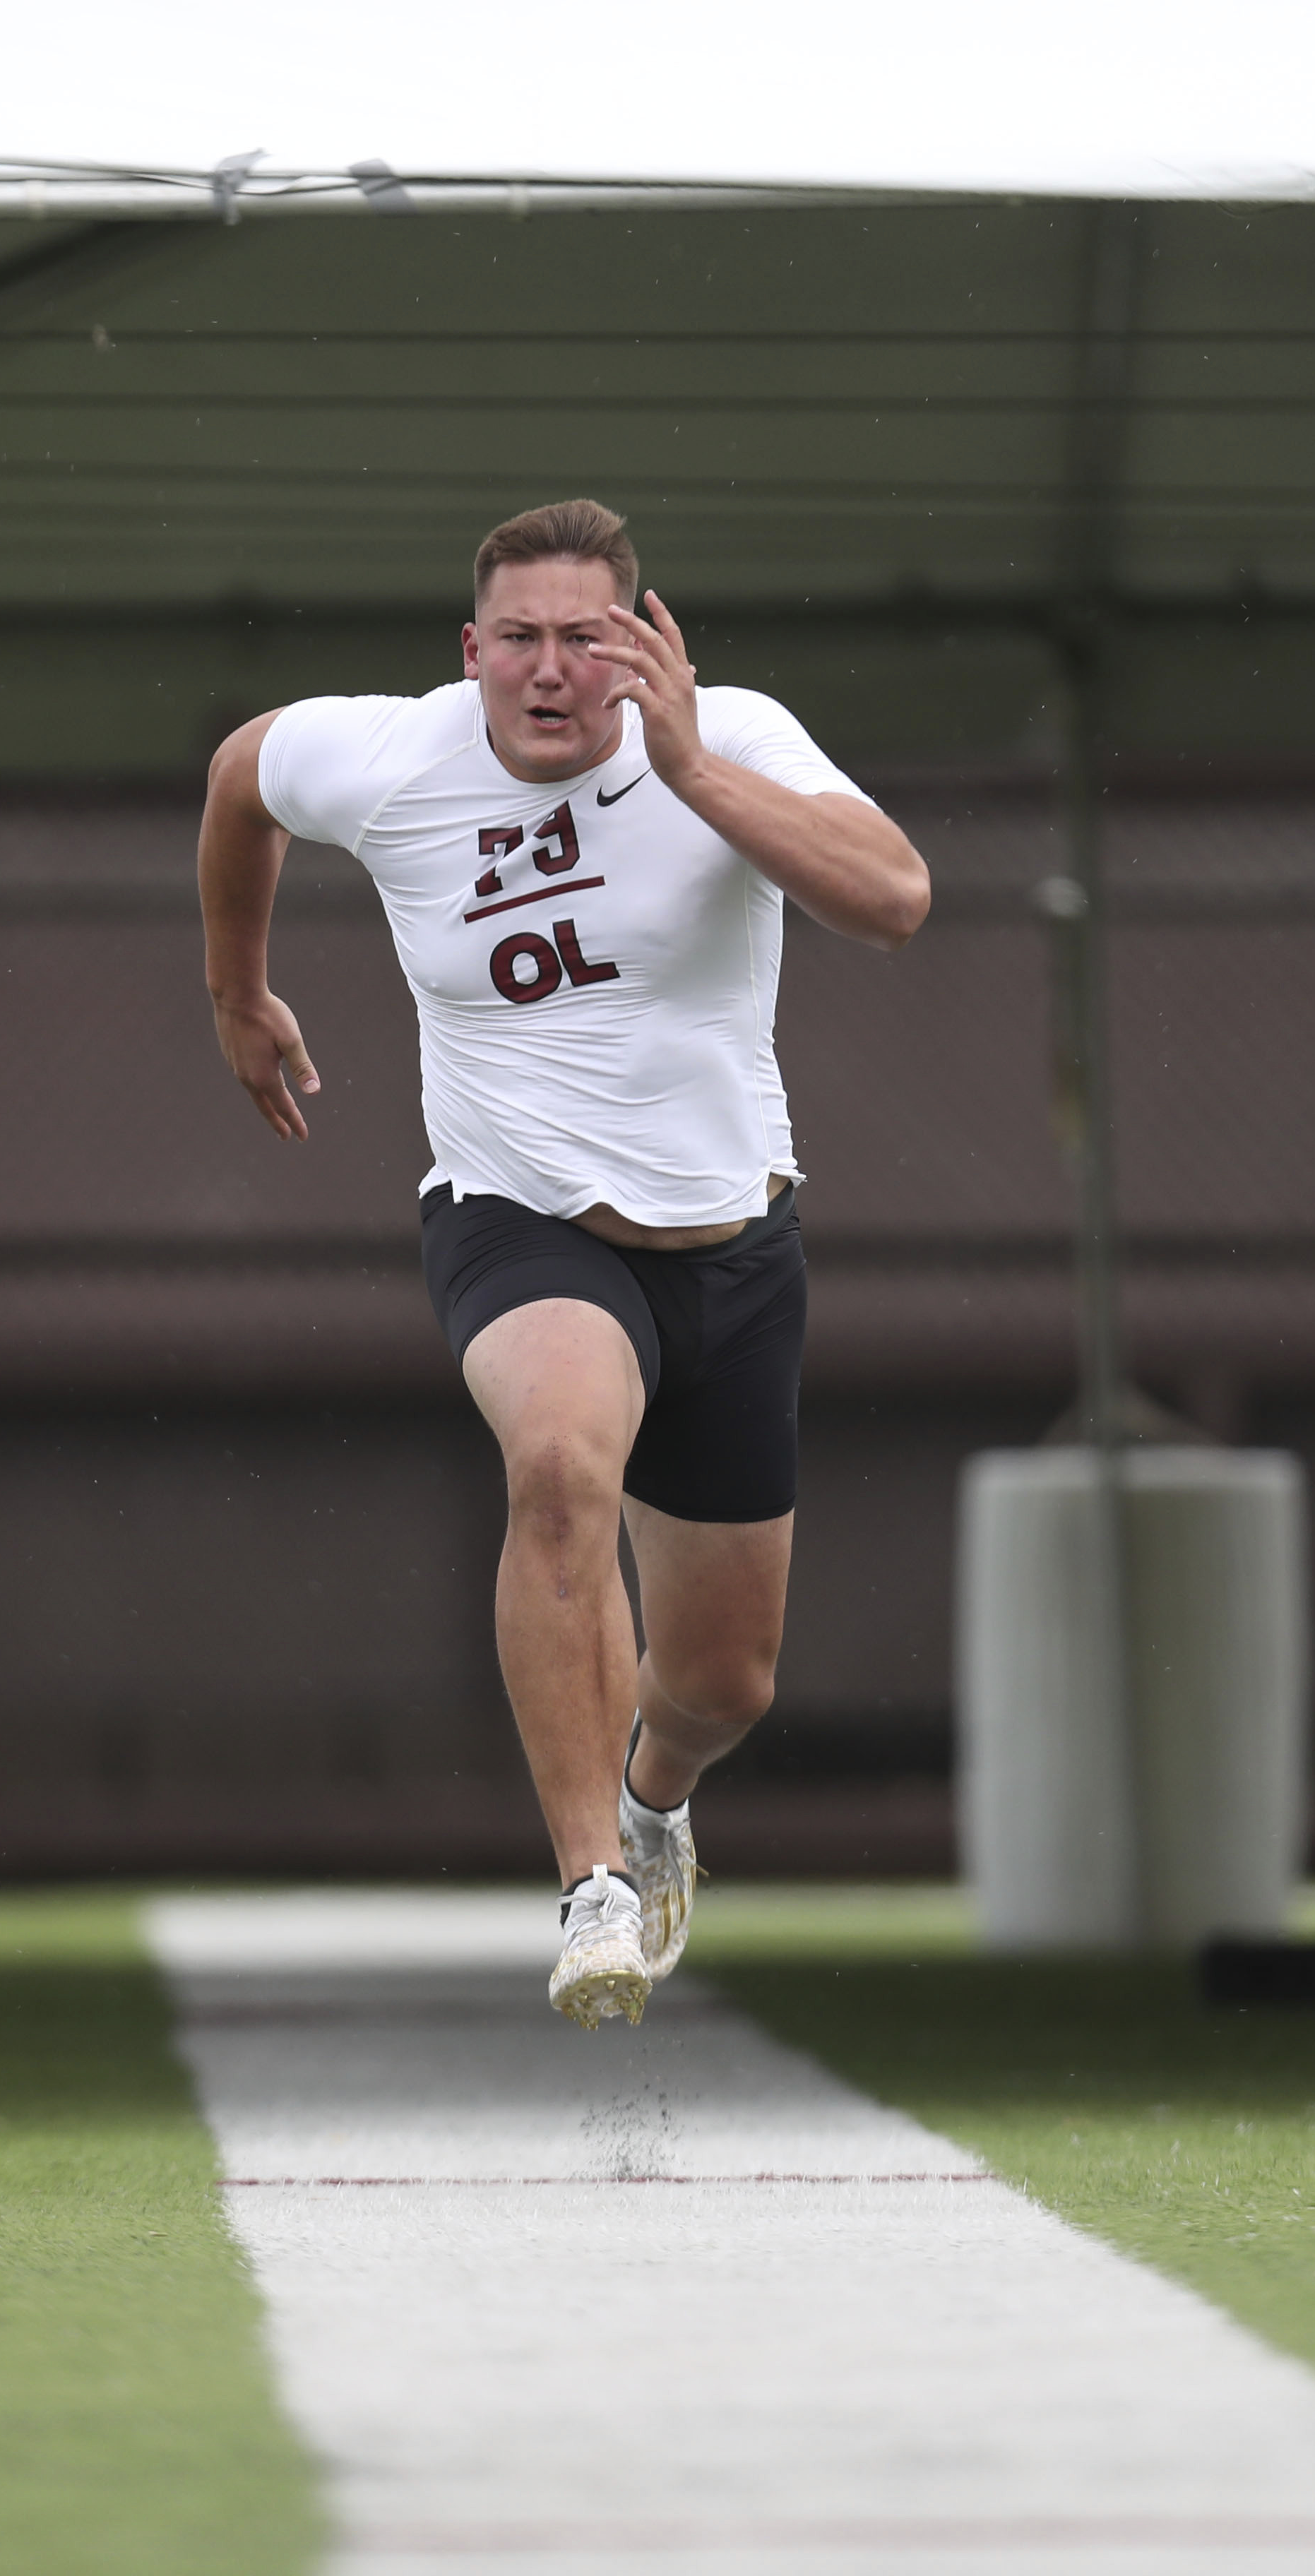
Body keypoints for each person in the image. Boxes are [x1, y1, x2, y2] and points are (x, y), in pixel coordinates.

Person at [196, 499, 931, 2027]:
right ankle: (592, 1882)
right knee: (556, 1465)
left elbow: (894, 900)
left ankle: (657, 1801)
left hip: (729, 1240)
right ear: (471, 654)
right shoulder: (394, 757)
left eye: (586, 640)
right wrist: (237, 990)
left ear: (644, 645)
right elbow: (238, 778)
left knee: (725, 1685)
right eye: (518, 641)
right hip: (518, 1217)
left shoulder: (726, 735)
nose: (551, 673)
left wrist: (693, 774)